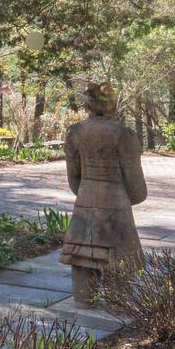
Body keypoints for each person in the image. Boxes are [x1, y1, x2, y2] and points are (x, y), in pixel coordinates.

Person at [60, 82, 148, 303]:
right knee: (120, 260)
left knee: (81, 257)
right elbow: (136, 186)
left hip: (84, 204)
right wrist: (129, 198)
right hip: (116, 208)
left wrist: (87, 191)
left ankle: (83, 300)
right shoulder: (123, 134)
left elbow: (74, 180)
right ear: (112, 105)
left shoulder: (74, 132)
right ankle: (117, 304)